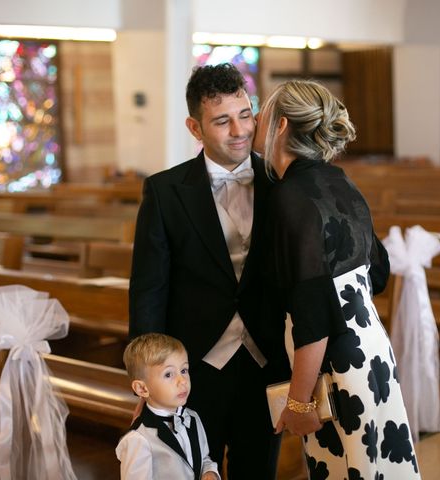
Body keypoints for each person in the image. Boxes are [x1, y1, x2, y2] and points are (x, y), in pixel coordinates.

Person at [253, 80, 421, 479]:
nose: (256, 120)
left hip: (334, 366)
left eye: (263, 112)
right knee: (379, 467)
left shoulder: (289, 197)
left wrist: (298, 403)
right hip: (373, 351)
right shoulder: (340, 182)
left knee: (346, 469)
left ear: (280, 126)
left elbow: (314, 316)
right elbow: (377, 272)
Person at [129, 63, 289, 479]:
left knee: (259, 471)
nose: (239, 130)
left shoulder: (283, 185)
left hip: (266, 361)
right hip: (193, 369)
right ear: (195, 128)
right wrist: (148, 375)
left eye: (245, 115)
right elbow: (149, 287)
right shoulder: (165, 192)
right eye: (222, 120)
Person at [116, 333, 220, 479]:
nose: (182, 381)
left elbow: (204, 459)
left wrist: (209, 472)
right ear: (142, 389)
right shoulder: (138, 439)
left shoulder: (192, 418)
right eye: (168, 374)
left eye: (184, 370)